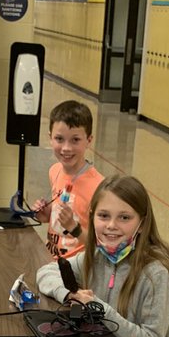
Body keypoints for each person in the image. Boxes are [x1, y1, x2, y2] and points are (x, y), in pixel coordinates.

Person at [36, 174, 169, 337]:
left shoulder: (158, 273)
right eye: (103, 216)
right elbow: (45, 273)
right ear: (92, 217)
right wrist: (68, 294)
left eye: (124, 217)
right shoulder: (97, 256)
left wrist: (100, 310)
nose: (111, 226)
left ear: (142, 221)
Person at [31, 100, 104, 259]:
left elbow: (101, 245)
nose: (66, 148)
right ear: (50, 138)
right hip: (51, 261)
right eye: (59, 139)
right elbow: (63, 210)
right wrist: (48, 213)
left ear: (89, 140)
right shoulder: (54, 170)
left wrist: (73, 227)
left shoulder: (99, 187)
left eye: (75, 140)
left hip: (77, 270)